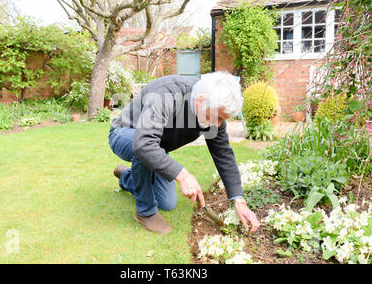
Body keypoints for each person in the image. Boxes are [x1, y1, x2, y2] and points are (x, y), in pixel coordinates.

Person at [108, 71, 260, 235]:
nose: (218, 124)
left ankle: (128, 177)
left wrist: (238, 200)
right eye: (218, 117)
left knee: (167, 203)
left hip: (155, 146)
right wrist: (182, 174)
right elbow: (144, 143)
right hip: (125, 133)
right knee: (143, 148)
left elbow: (223, 154)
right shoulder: (167, 94)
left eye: (223, 119)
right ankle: (145, 212)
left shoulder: (211, 109)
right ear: (200, 101)